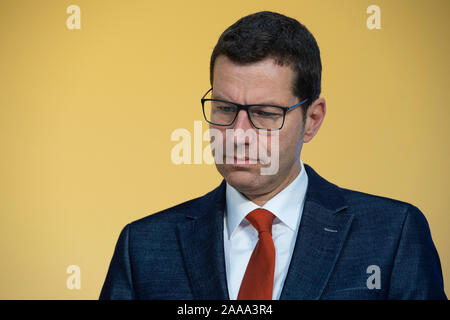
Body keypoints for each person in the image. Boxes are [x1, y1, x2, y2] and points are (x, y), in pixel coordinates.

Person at [99, 11, 446, 300]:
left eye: (265, 113)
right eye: (224, 108)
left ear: (312, 119)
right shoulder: (143, 247)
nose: (238, 134)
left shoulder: (393, 234)